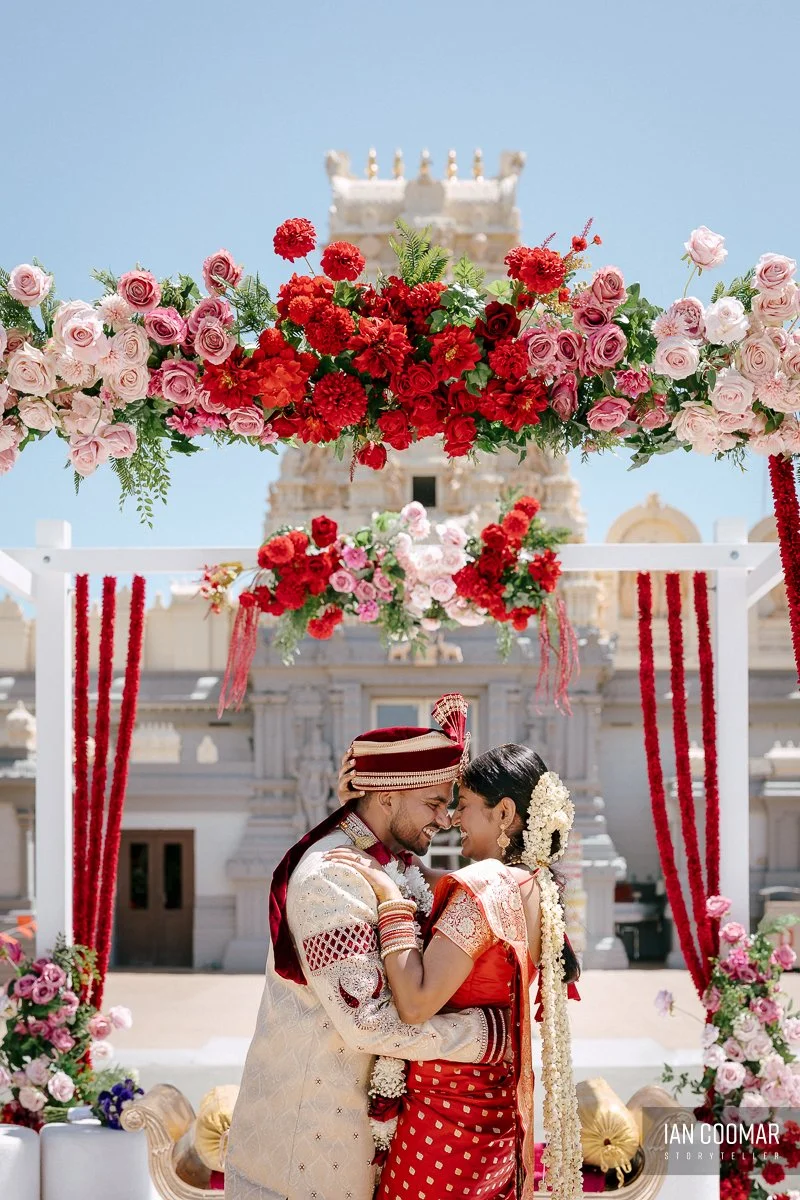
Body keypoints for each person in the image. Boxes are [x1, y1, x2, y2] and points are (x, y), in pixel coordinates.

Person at [224, 695, 511, 1200]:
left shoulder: (385, 866)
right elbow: (369, 1022)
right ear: (385, 797)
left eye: (448, 804)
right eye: (434, 803)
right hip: (303, 1156)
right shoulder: (331, 878)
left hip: (351, 1145)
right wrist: (487, 1035)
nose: (444, 820)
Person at [326, 742, 583, 1200]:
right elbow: (427, 877)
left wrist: (391, 902)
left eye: (462, 806)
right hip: (495, 1119)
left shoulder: (486, 886)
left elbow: (416, 1001)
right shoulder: (534, 883)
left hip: (447, 1121)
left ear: (504, 813)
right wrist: (360, 814)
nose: (451, 819)